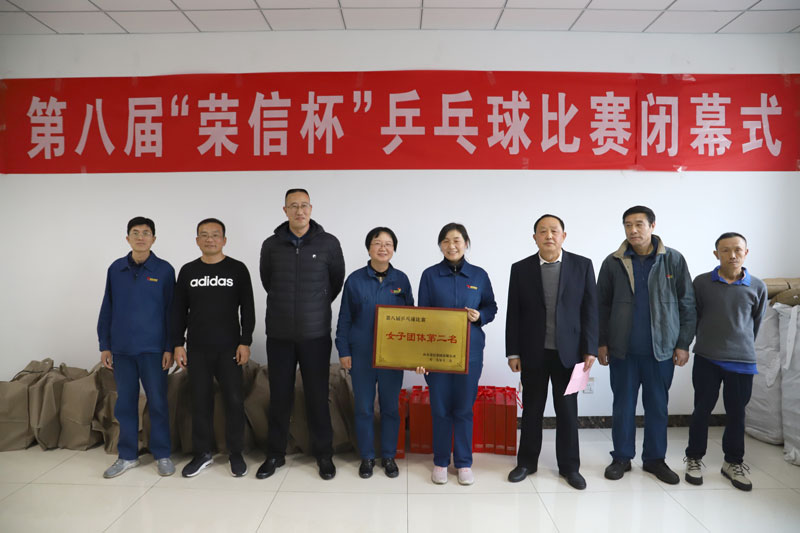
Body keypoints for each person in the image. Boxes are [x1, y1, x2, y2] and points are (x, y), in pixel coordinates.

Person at [597, 205, 696, 485]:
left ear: (652, 226)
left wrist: (683, 343)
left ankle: (654, 459)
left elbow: (687, 304)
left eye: (639, 224)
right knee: (623, 407)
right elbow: (600, 306)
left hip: (660, 351)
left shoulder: (673, 260)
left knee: (657, 407)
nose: (633, 230)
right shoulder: (612, 262)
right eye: (628, 225)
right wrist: (601, 342)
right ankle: (621, 458)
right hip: (623, 351)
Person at [258, 188, 345, 480]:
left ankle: (324, 455)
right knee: (279, 397)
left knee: (317, 396)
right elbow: (268, 281)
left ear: (311, 208)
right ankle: (275, 454)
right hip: (280, 334)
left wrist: (313, 305)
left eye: (304, 205)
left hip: (315, 333)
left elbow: (335, 282)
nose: (299, 211)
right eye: (293, 206)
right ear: (285, 210)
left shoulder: (329, 243)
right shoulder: (271, 245)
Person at [505, 214, 598, 490]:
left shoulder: (582, 266)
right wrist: (513, 352)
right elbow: (514, 313)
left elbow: (590, 310)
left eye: (554, 231)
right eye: (542, 231)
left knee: (567, 412)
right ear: (534, 237)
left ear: (563, 236)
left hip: (569, 354)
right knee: (532, 410)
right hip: (533, 352)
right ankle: (526, 463)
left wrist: (590, 348)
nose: (548, 236)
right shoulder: (520, 269)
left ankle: (570, 467)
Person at [172, 218, 255, 478]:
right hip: (197, 348)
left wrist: (245, 341)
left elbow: (248, 308)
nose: (210, 239)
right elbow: (178, 311)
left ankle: (236, 453)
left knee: (234, 401)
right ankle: (202, 454)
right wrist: (178, 344)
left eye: (215, 235)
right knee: (200, 401)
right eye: (204, 235)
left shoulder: (237, 269)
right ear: (197, 240)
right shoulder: (188, 271)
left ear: (224, 240)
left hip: (229, 348)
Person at [684, 233, 767, 491]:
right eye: (725, 250)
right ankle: (694, 458)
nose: (732, 255)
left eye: (738, 250)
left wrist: (740, 345)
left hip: (742, 361)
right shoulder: (701, 283)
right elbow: (694, 317)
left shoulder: (758, 287)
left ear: (746, 252)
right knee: (701, 410)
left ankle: (733, 462)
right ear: (716, 254)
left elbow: (755, 323)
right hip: (707, 357)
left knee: (736, 414)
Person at [415, 222, 497, 486]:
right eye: (446, 241)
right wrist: (421, 357)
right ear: (440, 245)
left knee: (463, 408)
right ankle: (440, 461)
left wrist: (480, 315)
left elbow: (491, 307)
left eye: (457, 240)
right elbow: (422, 316)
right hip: (437, 354)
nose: (452, 246)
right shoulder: (430, 275)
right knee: (440, 408)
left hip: (469, 353)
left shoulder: (479, 275)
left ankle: (463, 462)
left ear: (466, 243)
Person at [98, 216, 176, 478]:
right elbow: (107, 306)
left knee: (158, 403)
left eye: (146, 233)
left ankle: (162, 454)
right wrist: (105, 344)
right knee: (125, 404)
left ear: (153, 238)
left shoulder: (164, 270)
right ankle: (127, 455)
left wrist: (169, 347)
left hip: (154, 350)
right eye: (135, 232)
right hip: (122, 349)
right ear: (127, 238)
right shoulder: (115, 269)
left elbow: (172, 311)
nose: (140, 237)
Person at [336, 227, 414, 479]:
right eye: (377, 243)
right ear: (369, 248)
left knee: (391, 407)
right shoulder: (355, 280)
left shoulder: (401, 280)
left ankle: (388, 456)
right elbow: (344, 319)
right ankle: (367, 457)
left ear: (394, 249)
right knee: (364, 408)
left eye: (388, 244)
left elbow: (412, 320)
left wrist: (412, 355)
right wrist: (343, 350)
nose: (383, 248)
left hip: (393, 356)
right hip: (361, 354)